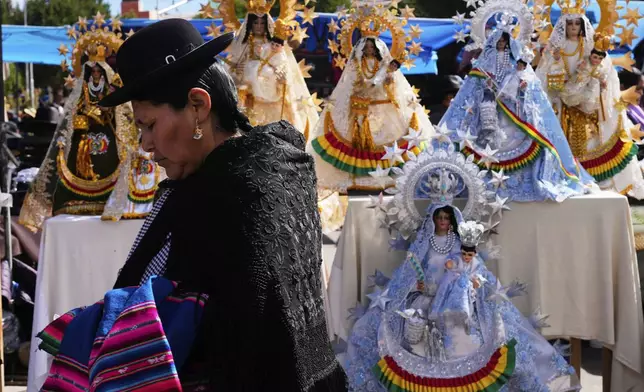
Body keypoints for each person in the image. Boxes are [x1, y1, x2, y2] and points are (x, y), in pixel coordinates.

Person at [35, 19, 346, 391]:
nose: (146, 145)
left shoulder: (221, 194)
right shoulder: (283, 164)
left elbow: (211, 338)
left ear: (198, 105)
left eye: (149, 125)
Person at [343, 165, 580, 391]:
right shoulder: (423, 244)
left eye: (447, 218)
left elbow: (473, 268)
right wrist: (419, 286)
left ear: (453, 219)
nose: (443, 222)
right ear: (433, 218)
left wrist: (472, 283)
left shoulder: (459, 242)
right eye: (440, 218)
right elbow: (410, 272)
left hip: (457, 302)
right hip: (426, 301)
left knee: (476, 338)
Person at [19, 19, 161, 231]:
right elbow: (66, 130)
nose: (95, 76)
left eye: (99, 73)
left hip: (111, 152)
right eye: (92, 73)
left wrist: (107, 114)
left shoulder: (116, 99)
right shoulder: (79, 98)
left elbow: (127, 128)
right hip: (83, 149)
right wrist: (81, 121)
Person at [440, 28, 594, 202]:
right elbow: (475, 82)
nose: (501, 45)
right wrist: (487, 83)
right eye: (498, 42)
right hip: (490, 104)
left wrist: (517, 84)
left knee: (517, 135)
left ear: (509, 44)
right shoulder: (485, 61)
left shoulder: (513, 60)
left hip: (512, 108)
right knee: (488, 131)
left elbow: (524, 83)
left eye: (504, 42)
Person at [537, 7, 644, 197]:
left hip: (587, 104)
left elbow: (605, 74)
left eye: (577, 23)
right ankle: (566, 179)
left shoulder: (590, 47)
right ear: (562, 26)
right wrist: (558, 82)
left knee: (590, 144)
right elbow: (544, 77)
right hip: (561, 104)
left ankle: (594, 182)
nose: (573, 28)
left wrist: (591, 90)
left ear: (583, 26)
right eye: (569, 24)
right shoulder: (555, 49)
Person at [307, 35, 435, 193]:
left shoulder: (384, 65)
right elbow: (349, 84)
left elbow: (391, 86)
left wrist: (388, 78)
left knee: (386, 139)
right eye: (366, 47)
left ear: (378, 49)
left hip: (381, 107)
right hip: (359, 106)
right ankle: (358, 176)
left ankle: (386, 176)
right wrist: (362, 88)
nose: (369, 50)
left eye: (372, 47)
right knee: (359, 143)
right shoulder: (356, 64)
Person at [223, 2, 318, 137]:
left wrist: (281, 77)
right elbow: (230, 69)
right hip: (248, 100)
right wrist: (237, 71)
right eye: (256, 23)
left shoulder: (274, 46)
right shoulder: (242, 44)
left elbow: (282, 64)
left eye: (262, 23)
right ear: (250, 24)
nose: (259, 27)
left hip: (271, 100)